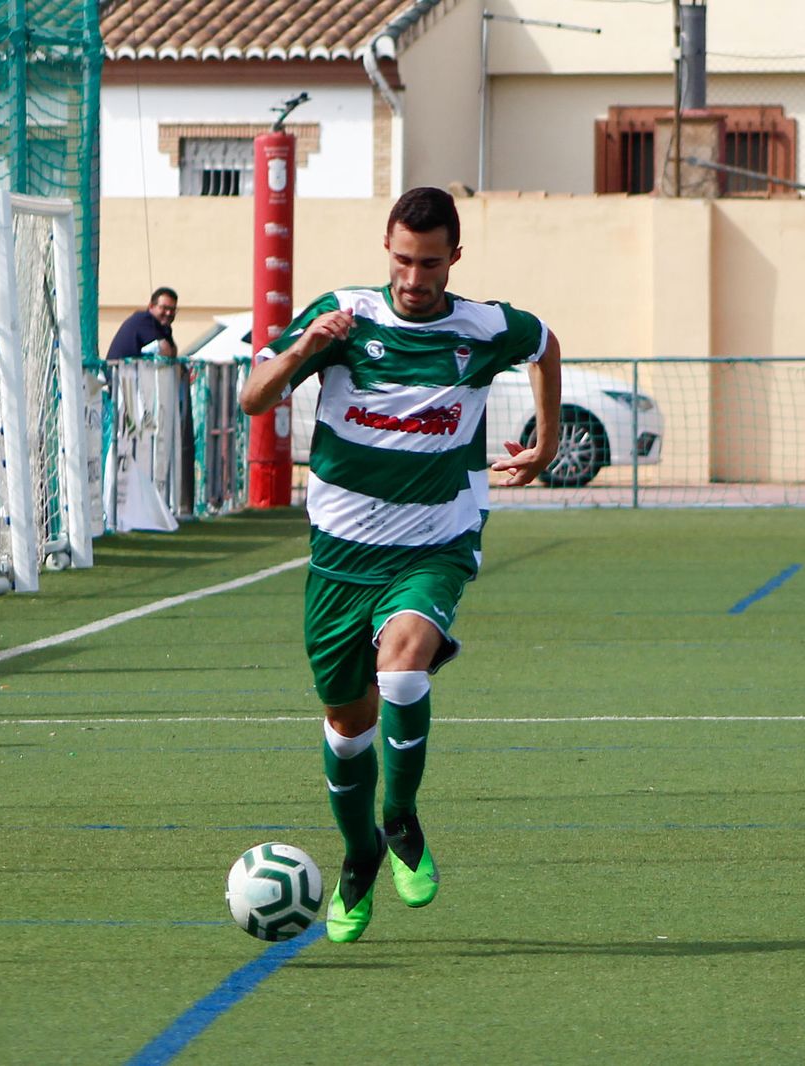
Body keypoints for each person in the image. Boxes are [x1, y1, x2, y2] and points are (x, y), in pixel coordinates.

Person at [240, 187, 561, 942]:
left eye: (429, 263)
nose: (415, 278)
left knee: (406, 669)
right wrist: (305, 349)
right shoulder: (344, 316)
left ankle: (401, 818)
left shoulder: (484, 327)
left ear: (455, 256)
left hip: (434, 546)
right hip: (340, 561)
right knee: (348, 729)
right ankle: (359, 858)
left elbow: (545, 343)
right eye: (402, 260)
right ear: (386, 250)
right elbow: (256, 397)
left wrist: (545, 441)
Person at [106, 287, 179, 360]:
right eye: (164, 308)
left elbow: (172, 352)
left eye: (172, 309)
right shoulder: (143, 319)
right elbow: (164, 349)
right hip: (119, 370)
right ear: (151, 306)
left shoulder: (164, 327)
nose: (168, 313)